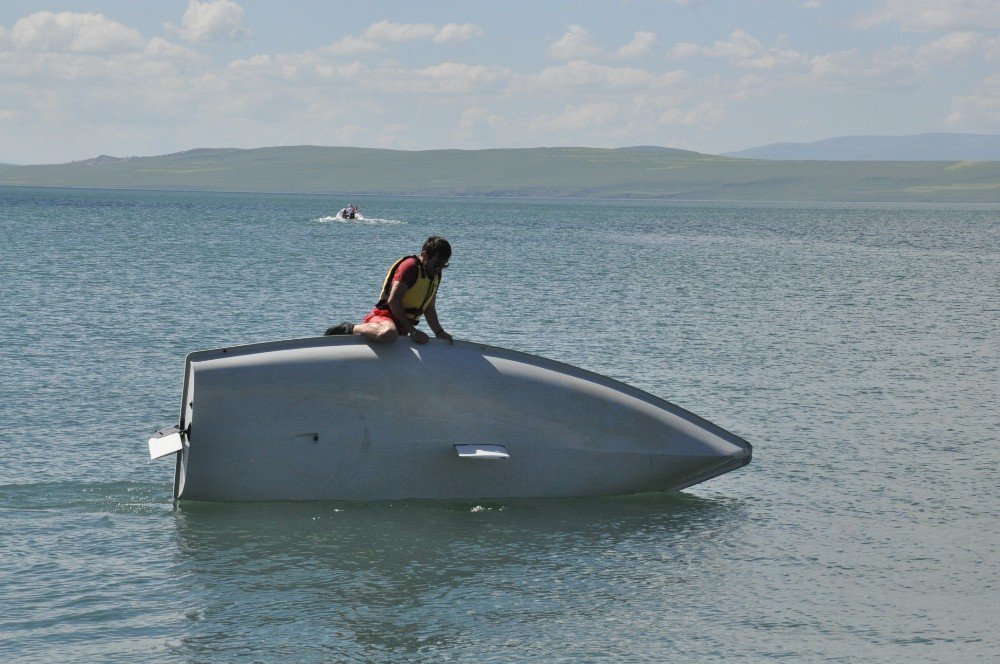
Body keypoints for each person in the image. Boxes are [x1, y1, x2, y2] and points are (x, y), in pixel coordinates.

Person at [325, 236, 454, 345]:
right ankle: (349, 328)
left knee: (393, 334)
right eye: (437, 264)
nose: (440, 269)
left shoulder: (435, 275)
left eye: (444, 265)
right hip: (383, 318)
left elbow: (429, 308)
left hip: (402, 327)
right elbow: (393, 301)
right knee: (389, 334)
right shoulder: (410, 267)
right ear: (425, 255)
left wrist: (439, 332)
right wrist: (413, 331)